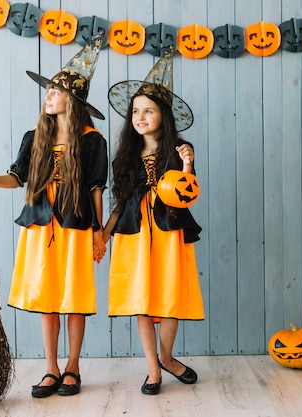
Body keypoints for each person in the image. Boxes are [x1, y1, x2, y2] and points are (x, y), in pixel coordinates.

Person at [0, 37, 108, 398]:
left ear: (73, 101)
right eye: (47, 90)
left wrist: (99, 232)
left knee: (74, 297)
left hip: (76, 228)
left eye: (54, 91)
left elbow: (96, 188)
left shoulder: (93, 141)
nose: (47, 95)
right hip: (39, 226)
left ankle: (73, 367)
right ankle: (51, 368)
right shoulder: (34, 138)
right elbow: (17, 178)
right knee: (48, 298)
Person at [103, 49, 205, 395]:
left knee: (169, 297)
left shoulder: (178, 149)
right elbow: (118, 203)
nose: (141, 117)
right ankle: (153, 369)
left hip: (168, 230)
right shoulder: (125, 155)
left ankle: (167, 356)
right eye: (136, 111)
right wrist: (103, 236)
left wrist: (188, 166)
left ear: (164, 115)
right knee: (140, 299)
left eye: (148, 111)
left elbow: (186, 193)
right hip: (133, 234)